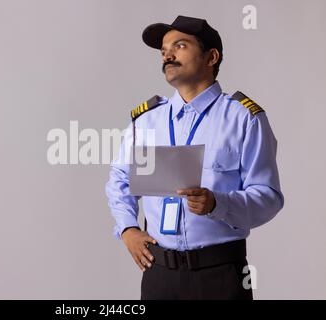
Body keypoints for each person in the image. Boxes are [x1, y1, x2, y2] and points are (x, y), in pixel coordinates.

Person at [105, 15, 284, 300]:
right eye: (164, 51)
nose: (168, 55)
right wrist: (127, 228)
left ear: (211, 57)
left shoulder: (243, 118)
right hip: (159, 275)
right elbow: (120, 179)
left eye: (180, 46)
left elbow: (268, 197)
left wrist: (218, 203)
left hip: (221, 275)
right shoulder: (147, 121)